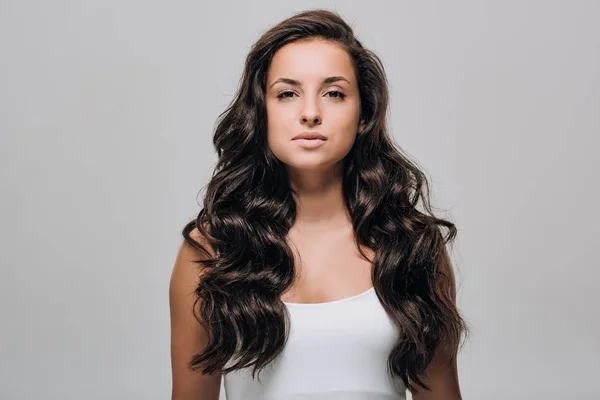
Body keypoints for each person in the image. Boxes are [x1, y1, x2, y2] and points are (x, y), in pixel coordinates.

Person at [169, 8, 470, 400]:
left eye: (334, 93)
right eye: (287, 94)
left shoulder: (411, 245)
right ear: (262, 113)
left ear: (364, 114)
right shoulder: (212, 250)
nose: (310, 113)